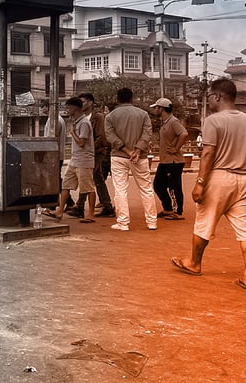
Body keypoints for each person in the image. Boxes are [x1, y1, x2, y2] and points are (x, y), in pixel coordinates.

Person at [170, 78, 246, 289]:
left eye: (209, 96)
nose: (208, 100)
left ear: (218, 97)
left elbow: (208, 153)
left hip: (219, 177)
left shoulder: (213, 120)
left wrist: (200, 182)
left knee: (204, 222)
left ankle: (194, 263)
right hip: (243, 178)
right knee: (245, 229)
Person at [104, 87, 157, 231]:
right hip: (140, 156)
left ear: (118, 99)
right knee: (146, 189)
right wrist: (137, 150)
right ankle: (152, 222)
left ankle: (123, 223)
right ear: (131, 98)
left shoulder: (110, 117)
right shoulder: (143, 114)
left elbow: (111, 137)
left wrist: (127, 150)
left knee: (120, 190)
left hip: (119, 156)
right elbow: (147, 134)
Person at [47, 97, 95, 223]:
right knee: (65, 185)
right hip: (75, 159)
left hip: (84, 160)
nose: (67, 109)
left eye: (68, 107)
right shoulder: (77, 121)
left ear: (75, 108)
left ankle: (90, 214)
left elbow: (82, 142)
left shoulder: (84, 123)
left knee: (88, 188)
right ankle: (60, 211)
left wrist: (72, 133)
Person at [71, 93, 114, 218]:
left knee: (88, 177)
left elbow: (101, 137)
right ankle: (107, 206)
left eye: (83, 102)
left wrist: (89, 149)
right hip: (87, 153)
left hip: (97, 152)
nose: (81, 105)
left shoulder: (98, 117)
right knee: (97, 178)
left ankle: (80, 205)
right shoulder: (81, 118)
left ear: (90, 103)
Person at [150, 97, 188, 221]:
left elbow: (184, 134)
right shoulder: (165, 122)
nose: (155, 110)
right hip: (165, 160)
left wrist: (176, 148)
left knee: (174, 186)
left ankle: (177, 211)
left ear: (161, 108)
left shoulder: (173, 121)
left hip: (174, 161)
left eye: (156, 107)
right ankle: (167, 208)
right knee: (158, 185)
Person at [41, 99, 69, 215]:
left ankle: (53, 204)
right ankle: (67, 201)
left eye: (42, 107)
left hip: (54, 155)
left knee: (53, 180)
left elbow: (50, 139)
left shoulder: (55, 120)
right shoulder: (53, 119)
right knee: (56, 179)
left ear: (47, 107)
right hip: (55, 154)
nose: (41, 109)